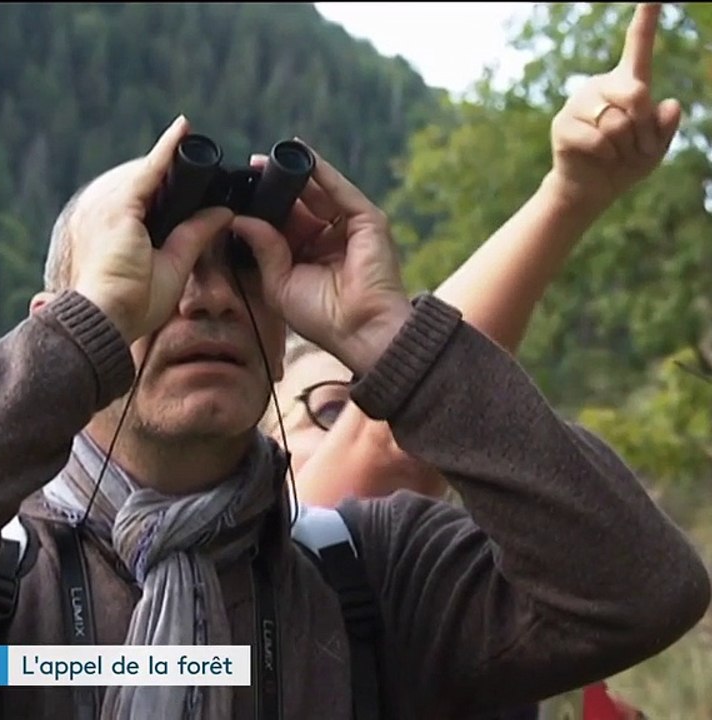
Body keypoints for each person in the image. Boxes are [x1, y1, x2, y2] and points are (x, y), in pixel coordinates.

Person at [0, 6, 708, 720]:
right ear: (60, 316)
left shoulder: (372, 579)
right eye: (156, 259)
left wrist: (391, 337)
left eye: (240, 269)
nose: (206, 296)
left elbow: (637, 593)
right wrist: (82, 334)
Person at [261, 7, 682, 718]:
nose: (402, 419)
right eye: (328, 410)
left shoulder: (479, 605)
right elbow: (384, 443)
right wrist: (568, 198)